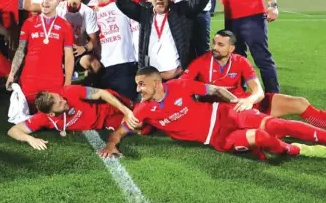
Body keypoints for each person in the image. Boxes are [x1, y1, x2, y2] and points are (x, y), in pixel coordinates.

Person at [98, 67, 326, 161]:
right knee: (263, 138)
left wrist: (237, 102)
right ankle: (295, 149)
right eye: (137, 85)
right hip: (216, 139)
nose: (138, 90)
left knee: (276, 125)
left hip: (226, 114)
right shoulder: (143, 109)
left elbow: (215, 89)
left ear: (156, 83)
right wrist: (111, 143)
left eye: (141, 84)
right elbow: (121, 130)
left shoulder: (180, 85)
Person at [182, 30, 326, 128]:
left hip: (244, 103)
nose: (214, 47)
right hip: (220, 111)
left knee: (300, 102)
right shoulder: (201, 61)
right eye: (214, 43)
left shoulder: (241, 61)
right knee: (272, 126)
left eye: (220, 45)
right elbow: (182, 83)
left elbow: (258, 91)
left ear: (231, 49)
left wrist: (249, 100)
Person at [115, 0, 210, 80]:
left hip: (178, 78)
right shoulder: (144, 13)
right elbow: (122, 3)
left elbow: (201, 0)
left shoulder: (181, 11)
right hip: (152, 81)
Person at [7, 86, 137, 150]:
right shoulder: (43, 118)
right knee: (138, 127)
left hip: (108, 107)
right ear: (51, 114)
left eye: (60, 97)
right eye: (60, 103)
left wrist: (126, 110)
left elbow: (102, 93)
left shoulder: (69, 92)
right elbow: (13, 130)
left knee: (138, 115)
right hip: (105, 122)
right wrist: (29, 139)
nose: (64, 100)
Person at [7, 0, 74, 108]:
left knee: (53, 115)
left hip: (54, 80)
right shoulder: (29, 22)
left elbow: (69, 56)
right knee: (27, 114)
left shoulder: (65, 26)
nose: (45, 2)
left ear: (58, 2)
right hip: (30, 79)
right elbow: (21, 50)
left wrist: (68, 80)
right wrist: (12, 73)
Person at [92, 0, 138, 100]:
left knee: (129, 102)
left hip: (125, 62)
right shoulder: (91, 13)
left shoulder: (120, 6)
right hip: (104, 66)